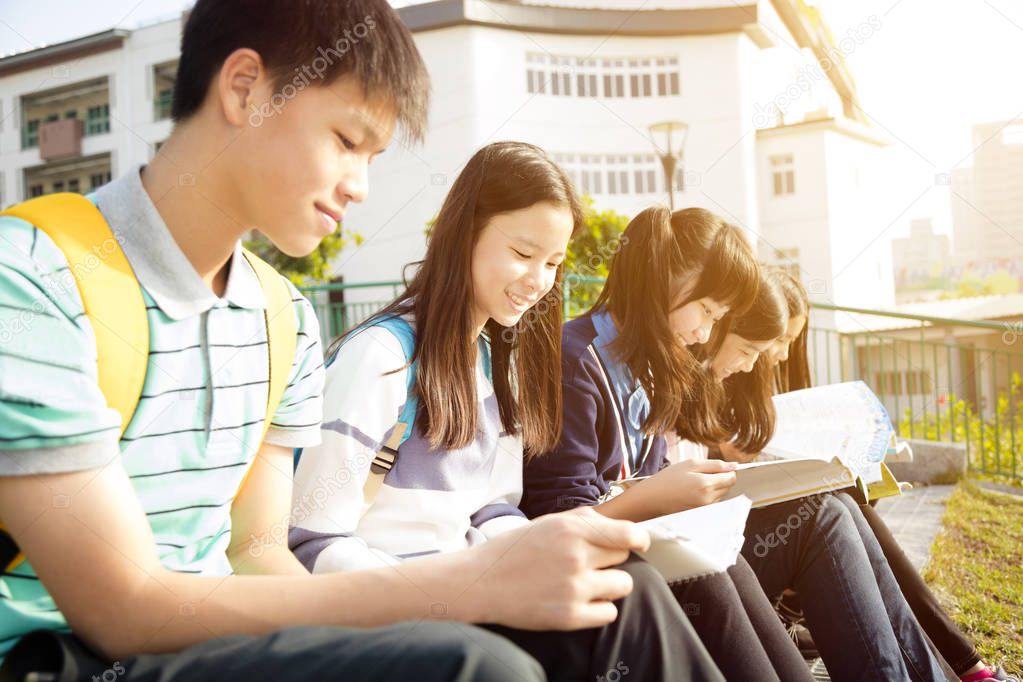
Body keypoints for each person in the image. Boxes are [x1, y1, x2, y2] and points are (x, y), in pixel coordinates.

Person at [0, 3, 668, 680]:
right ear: (244, 89)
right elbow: (123, 610)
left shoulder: (280, 314)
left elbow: (259, 554)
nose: (360, 186)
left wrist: (475, 584)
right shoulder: (27, 279)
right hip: (67, 660)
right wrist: (465, 586)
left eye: (374, 156)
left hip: (217, 643)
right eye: (347, 141)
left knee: (620, 601)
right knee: (478, 667)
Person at [290, 142, 724, 682]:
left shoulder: (494, 365)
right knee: (623, 601)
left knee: (625, 578)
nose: (539, 281)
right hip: (396, 612)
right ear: (466, 232)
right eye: (523, 254)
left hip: (468, 594)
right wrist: (460, 590)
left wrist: (544, 551)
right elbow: (311, 542)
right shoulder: (381, 358)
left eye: (553, 263)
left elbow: (492, 513)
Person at [521, 206, 816, 682]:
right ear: (661, 279)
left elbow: (648, 479)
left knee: (725, 565)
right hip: (578, 567)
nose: (703, 333)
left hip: (638, 548)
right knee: (710, 578)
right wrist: (658, 496)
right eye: (705, 311)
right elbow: (559, 518)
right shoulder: (573, 360)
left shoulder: (653, 367)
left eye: (717, 319)